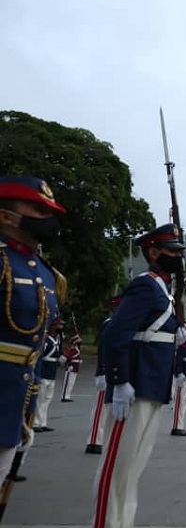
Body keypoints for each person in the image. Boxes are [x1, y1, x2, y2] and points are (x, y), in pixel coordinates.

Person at [92, 223, 185, 528]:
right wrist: (119, 381)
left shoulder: (162, 289)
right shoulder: (145, 285)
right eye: (171, 251)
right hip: (135, 386)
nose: (177, 256)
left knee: (132, 471)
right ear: (154, 252)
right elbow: (114, 334)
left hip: (153, 385)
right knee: (117, 469)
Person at [0, 176, 64, 485]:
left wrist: (29, 405)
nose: (47, 219)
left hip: (18, 401)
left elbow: (35, 343)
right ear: (5, 215)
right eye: (38, 210)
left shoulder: (47, 273)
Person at [86, 295, 121, 455]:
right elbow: (103, 349)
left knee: (109, 408)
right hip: (106, 370)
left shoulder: (122, 324)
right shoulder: (110, 324)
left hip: (117, 370)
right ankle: (94, 441)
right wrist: (100, 371)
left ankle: (102, 439)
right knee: (101, 407)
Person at [33, 316, 64, 432]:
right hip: (44, 371)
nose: (61, 327)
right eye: (59, 325)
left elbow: (58, 356)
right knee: (40, 398)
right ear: (53, 326)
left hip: (52, 372)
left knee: (47, 398)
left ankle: (43, 422)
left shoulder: (58, 339)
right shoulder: (46, 340)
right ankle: (35, 423)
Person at [61, 334, 82, 402]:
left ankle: (68, 395)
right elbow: (68, 357)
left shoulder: (77, 349)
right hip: (71, 367)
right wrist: (69, 365)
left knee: (71, 383)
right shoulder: (72, 349)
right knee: (68, 383)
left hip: (75, 368)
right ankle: (64, 396)